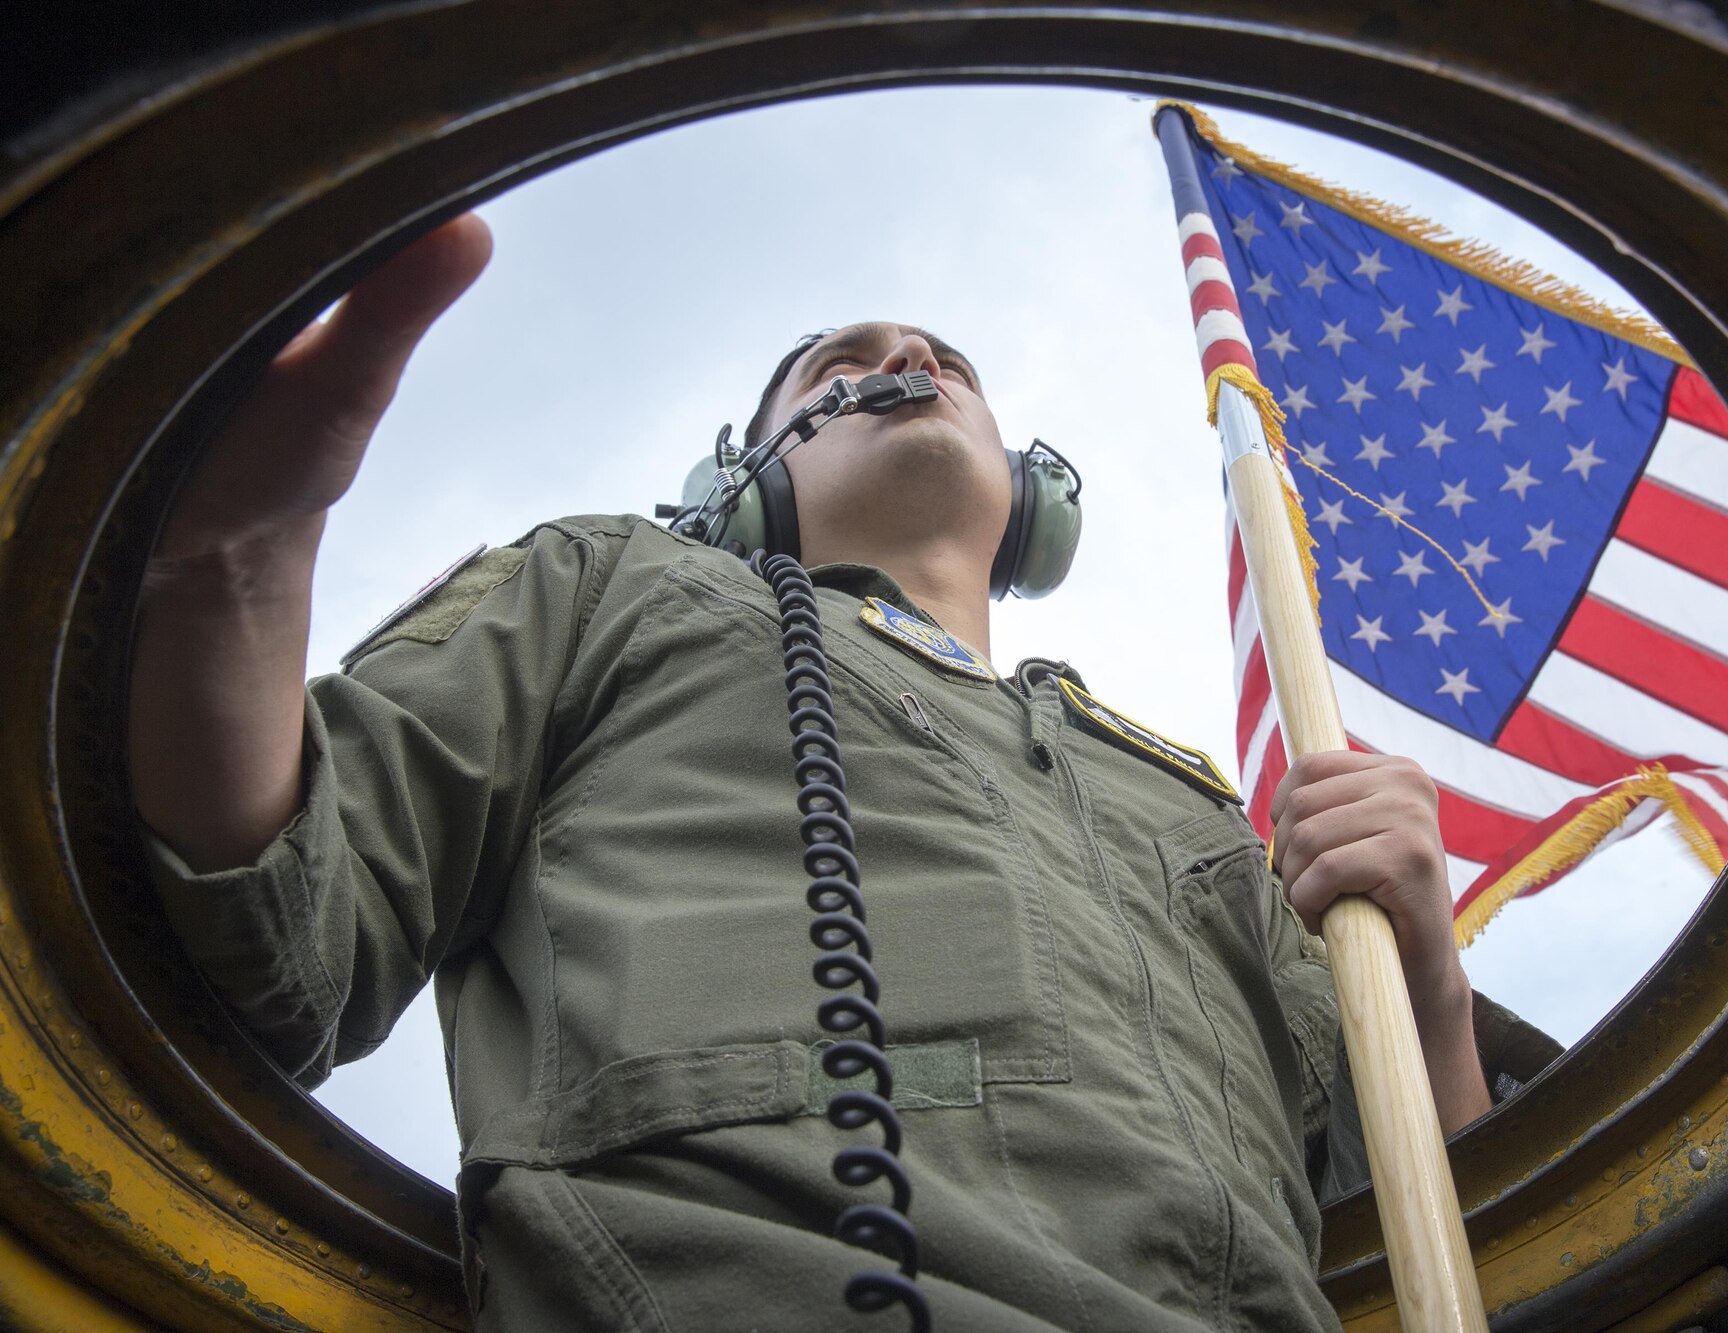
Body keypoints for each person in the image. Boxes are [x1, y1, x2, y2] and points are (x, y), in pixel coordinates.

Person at [129, 214, 1556, 1331]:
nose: (909, 360)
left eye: (951, 359)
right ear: (742, 480)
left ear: (1034, 497)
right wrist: (227, 565)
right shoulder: (603, 588)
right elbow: (276, 937)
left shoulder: (1199, 811)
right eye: (839, 361)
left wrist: (1428, 991)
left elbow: (1431, 1241)